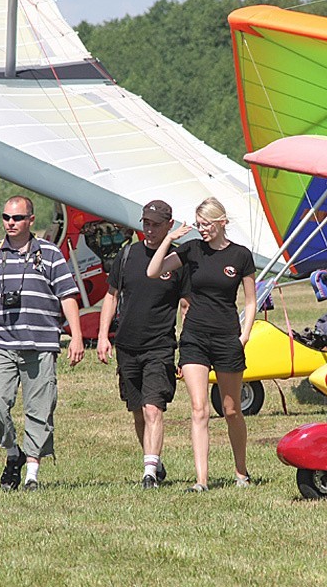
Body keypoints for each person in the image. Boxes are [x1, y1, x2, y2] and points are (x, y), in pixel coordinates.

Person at [0, 195, 84, 492]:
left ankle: (31, 474)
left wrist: (77, 337)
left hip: (42, 343)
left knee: (40, 408)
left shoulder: (50, 253)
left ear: (31, 220)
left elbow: (67, 295)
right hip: (1, 341)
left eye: (17, 218)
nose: (10, 223)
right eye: (6, 217)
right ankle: (11, 454)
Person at [147, 197, 256, 492]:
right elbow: (153, 271)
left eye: (206, 224)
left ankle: (241, 471)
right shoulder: (192, 250)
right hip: (194, 336)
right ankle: (201, 480)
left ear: (221, 223)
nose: (201, 230)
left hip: (226, 337)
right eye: (198, 225)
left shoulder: (241, 256)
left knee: (231, 409)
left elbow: (250, 300)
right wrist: (169, 238)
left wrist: (243, 335)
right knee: (199, 409)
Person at [97, 200, 190, 489]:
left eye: (155, 224)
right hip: (127, 344)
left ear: (169, 226)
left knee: (153, 409)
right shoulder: (127, 255)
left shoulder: (177, 261)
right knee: (137, 409)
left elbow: (186, 306)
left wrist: (185, 350)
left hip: (160, 345)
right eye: (146, 223)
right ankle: (154, 461)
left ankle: (149, 473)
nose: (149, 229)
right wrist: (103, 336)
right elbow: (111, 296)